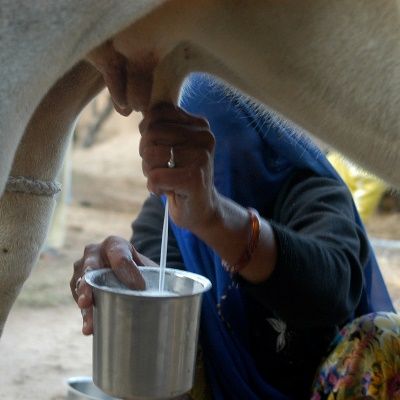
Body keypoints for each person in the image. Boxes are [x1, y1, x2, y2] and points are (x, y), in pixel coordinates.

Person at [71, 74, 397, 400]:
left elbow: (331, 291)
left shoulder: (310, 188)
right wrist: (119, 277)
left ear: (267, 137)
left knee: (385, 337)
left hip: (315, 389)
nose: (208, 172)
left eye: (215, 149)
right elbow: (161, 280)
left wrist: (215, 218)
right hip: (221, 390)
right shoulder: (171, 206)